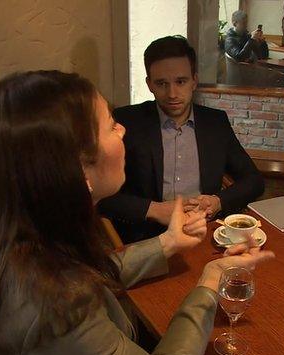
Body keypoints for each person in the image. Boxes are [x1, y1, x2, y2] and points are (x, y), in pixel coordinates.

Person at [0, 71, 275, 355]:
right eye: (111, 125)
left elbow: (93, 275)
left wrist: (167, 243)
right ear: (77, 168)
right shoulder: (52, 305)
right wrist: (210, 281)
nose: (123, 130)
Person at [98, 36, 264, 243]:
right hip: (147, 237)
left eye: (181, 81)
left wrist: (218, 201)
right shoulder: (126, 122)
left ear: (194, 80)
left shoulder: (215, 122)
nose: (172, 93)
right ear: (149, 84)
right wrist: (154, 210)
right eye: (161, 84)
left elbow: (254, 181)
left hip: (204, 232)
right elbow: (97, 195)